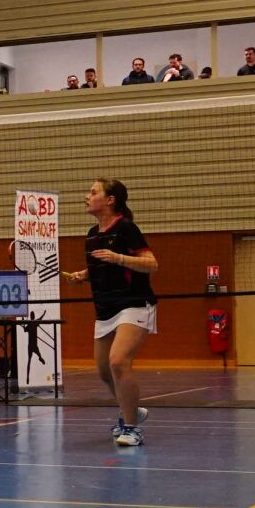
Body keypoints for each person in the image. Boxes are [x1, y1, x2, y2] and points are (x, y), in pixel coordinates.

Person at [63, 177, 160, 448]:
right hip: (105, 308)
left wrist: (118, 257)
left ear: (110, 200)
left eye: (92, 192)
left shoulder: (126, 228)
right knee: (105, 371)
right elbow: (101, 267)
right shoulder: (92, 235)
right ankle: (133, 410)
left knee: (118, 361)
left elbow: (152, 264)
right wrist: (84, 275)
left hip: (134, 303)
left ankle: (131, 427)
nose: (86, 196)